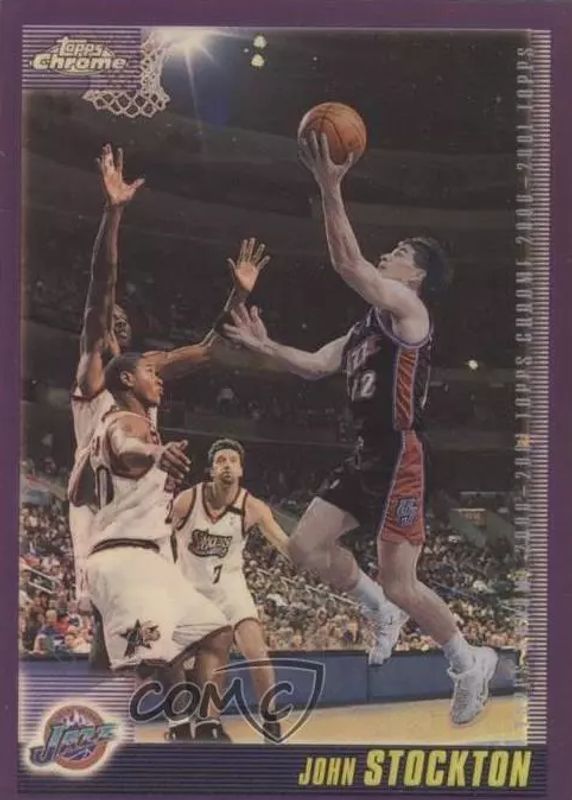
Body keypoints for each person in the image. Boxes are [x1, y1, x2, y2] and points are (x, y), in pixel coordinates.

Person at [223, 132, 499, 725]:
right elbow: (315, 365)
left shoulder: (410, 311)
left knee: (404, 582)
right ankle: (378, 608)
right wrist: (265, 346)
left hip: (402, 454)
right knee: (305, 548)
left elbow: (348, 263)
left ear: (414, 276)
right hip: (367, 452)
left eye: (398, 252)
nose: (387, 254)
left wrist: (330, 186)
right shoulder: (364, 328)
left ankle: (466, 660)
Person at [67, 144, 270, 650]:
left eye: (122, 318)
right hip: (103, 505)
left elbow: (208, 349)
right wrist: (113, 213)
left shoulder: (146, 369)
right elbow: (101, 285)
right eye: (108, 316)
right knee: (115, 626)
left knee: (168, 629)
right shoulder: (94, 372)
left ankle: (165, 692)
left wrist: (239, 295)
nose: (115, 319)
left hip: (146, 505)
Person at [86, 352, 233, 741]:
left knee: (216, 633)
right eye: (150, 372)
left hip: (148, 559)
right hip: (126, 557)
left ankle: (201, 726)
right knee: (153, 653)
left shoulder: (119, 427)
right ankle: (168, 733)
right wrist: (155, 453)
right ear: (127, 381)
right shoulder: (124, 421)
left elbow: (76, 490)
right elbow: (124, 444)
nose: (160, 379)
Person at [172, 438, 290, 742]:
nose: (227, 465)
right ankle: (197, 721)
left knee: (257, 652)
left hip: (230, 589)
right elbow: (156, 535)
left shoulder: (252, 507)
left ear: (241, 470)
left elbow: (285, 545)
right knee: (181, 662)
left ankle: (270, 719)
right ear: (211, 470)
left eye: (233, 461)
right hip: (190, 591)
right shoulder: (187, 501)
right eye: (221, 460)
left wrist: (312, 552)